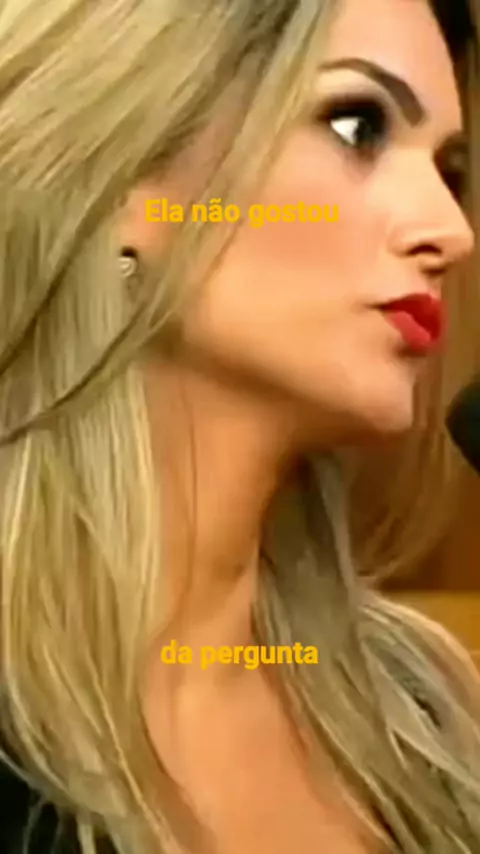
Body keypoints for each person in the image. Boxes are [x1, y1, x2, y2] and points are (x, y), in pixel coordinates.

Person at [1, 0, 480, 852]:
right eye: (358, 126)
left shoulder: (428, 714)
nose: (452, 231)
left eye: (453, 171)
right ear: (127, 180)